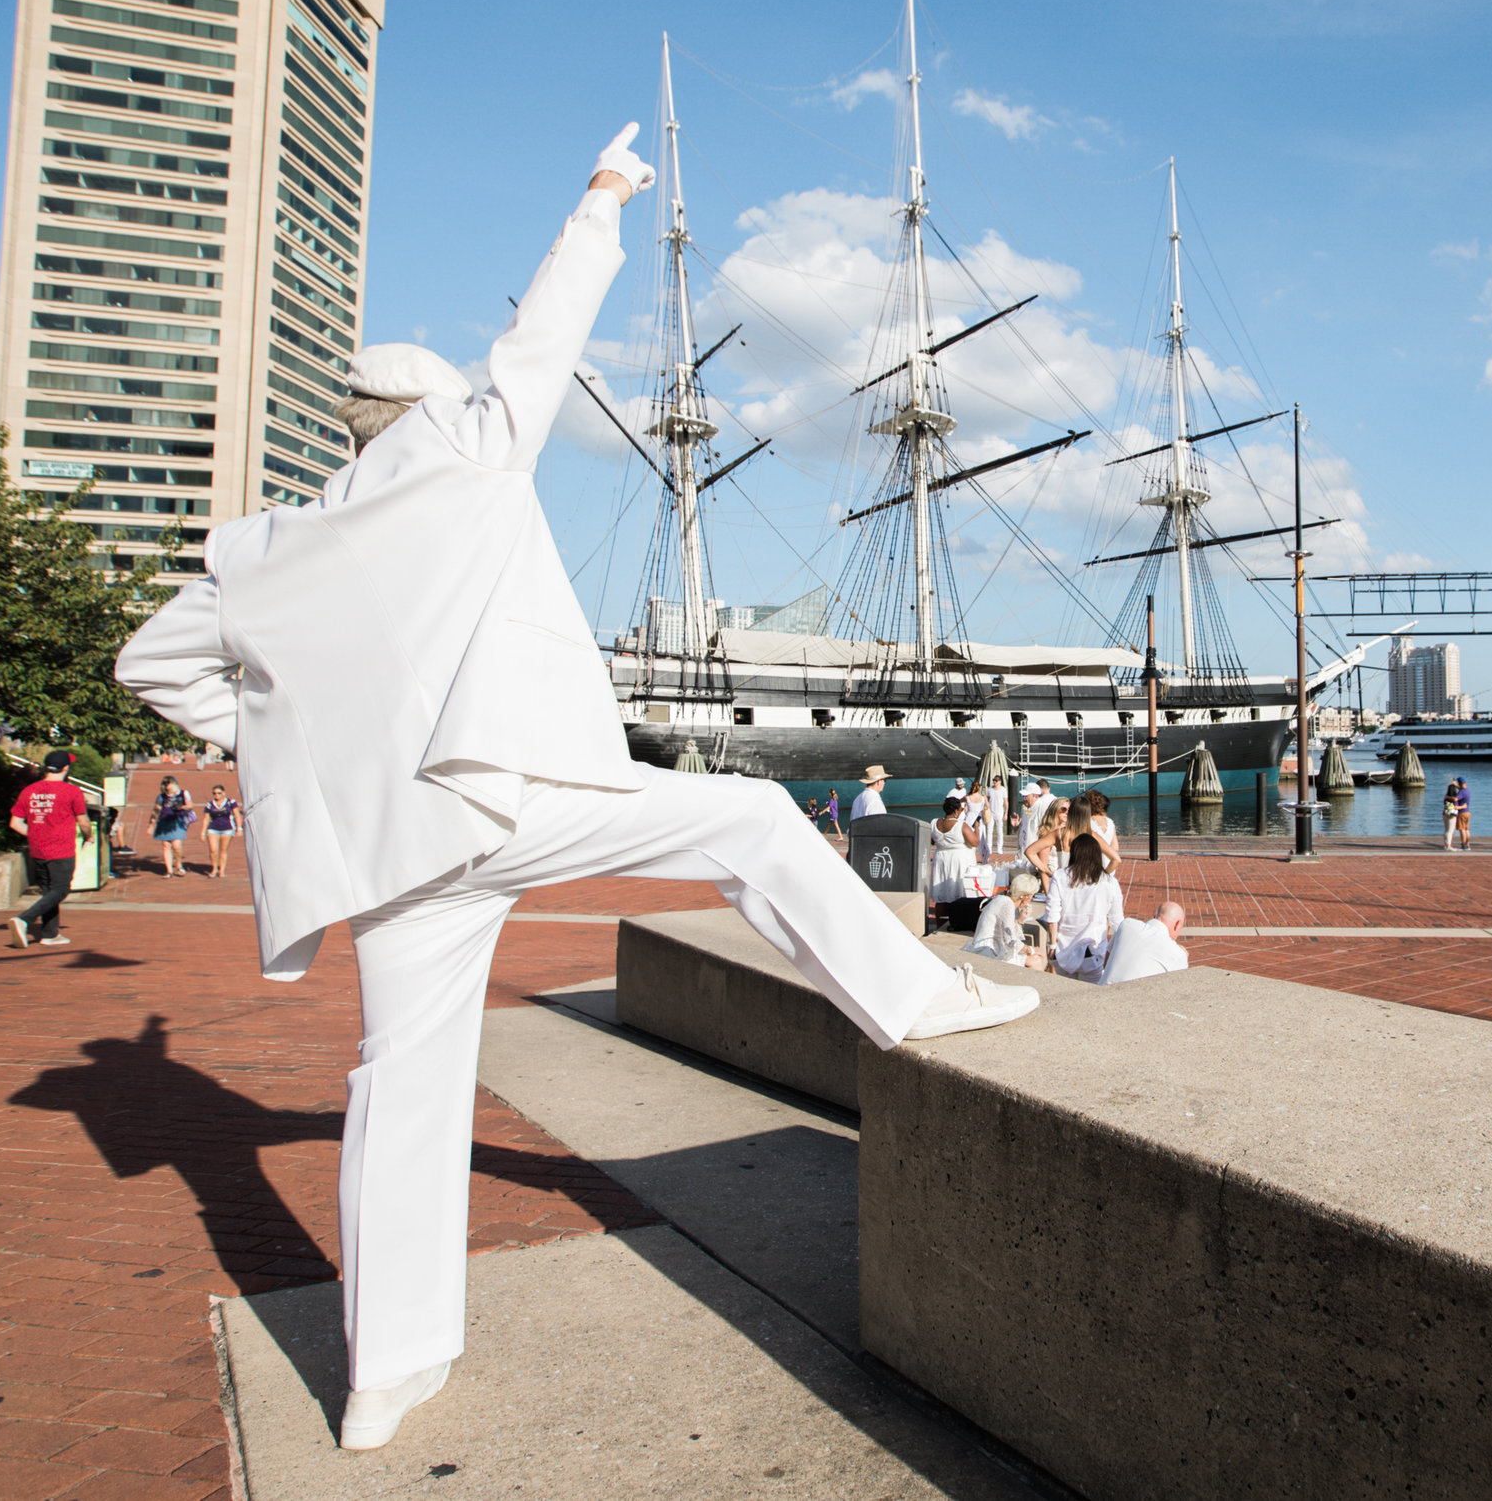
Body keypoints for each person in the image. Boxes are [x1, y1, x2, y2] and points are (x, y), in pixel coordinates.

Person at [113, 127, 1037, 1454]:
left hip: (394, 856)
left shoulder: (260, 553)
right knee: (749, 818)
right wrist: (603, 197)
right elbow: (540, 339)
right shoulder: (465, 453)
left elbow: (152, 664)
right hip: (509, 798)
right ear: (425, 412)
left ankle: (385, 1377)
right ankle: (912, 1002)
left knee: (401, 1086)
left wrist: (292, 740)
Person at [8, 752, 91, 949]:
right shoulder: (71, 791)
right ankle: (24, 919)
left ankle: (49, 934)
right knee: (61, 889)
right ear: (65, 768)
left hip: (38, 849)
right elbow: (84, 821)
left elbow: (15, 823)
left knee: (49, 891)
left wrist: (35, 834)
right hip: (61, 848)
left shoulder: (29, 791)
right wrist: (88, 837)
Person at [1046, 830, 1125, 981]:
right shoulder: (1109, 882)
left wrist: (1051, 945)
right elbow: (1117, 923)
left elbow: (1052, 915)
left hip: (1063, 949)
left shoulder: (1060, 876)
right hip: (1094, 951)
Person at [1099, 901, 1190, 985]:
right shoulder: (1177, 954)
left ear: (1155, 916)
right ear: (1177, 924)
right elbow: (1177, 990)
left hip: (1102, 993)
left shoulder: (1126, 924)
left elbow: (1106, 963)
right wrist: (1181, 954)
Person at [966, 867, 1041, 966]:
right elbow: (1010, 940)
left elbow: (1008, 933)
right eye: (1032, 896)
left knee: (1034, 958)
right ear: (1026, 897)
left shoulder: (1003, 899)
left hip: (992, 948)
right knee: (1035, 961)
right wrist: (1030, 949)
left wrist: (1019, 921)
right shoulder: (1007, 905)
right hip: (988, 952)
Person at [926, 790, 980, 907]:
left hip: (941, 859)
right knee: (959, 891)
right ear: (956, 810)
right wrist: (977, 828)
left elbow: (931, 840)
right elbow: (975, 842)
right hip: (959, 860)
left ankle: (940, 921)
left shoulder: (934, 823)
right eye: (960, 810)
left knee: (941, 894)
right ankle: (958, 919)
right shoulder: (961, 825)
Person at [149, 775, 192, 877]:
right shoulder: (161, 797)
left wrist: (181, 807)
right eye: (167, 784)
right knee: (166, 845)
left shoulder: (183, 793)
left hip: (178, 821)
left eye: (171, 783)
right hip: (164, 822)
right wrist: (151, 824)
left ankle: (179, 865)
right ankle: (169, 870)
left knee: (176, 844)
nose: (169, 786)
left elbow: (190, 805)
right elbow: (156, 810)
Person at [203, 785, 242, 878]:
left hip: (227, 828)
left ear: (223, 793)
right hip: (213, 828)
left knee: (223, 850)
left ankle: (222, 870)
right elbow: (206, 818)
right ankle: (214, 868)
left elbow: (237, 815)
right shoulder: (210, 804)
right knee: (213, 850)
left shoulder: (231, 802)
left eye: (219, 793)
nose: (217, 795)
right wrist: (203, 832)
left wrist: (239, 828)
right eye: (214, 793)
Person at [982, 775, 1008, 859]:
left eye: (996, 780)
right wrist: (985, 809)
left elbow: (1006, 802)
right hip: (991, 812)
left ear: (1000, 781)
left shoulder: (1003, 790)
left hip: (999, 812)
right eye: (994, 780)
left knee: (999, 831)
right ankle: (989, 848)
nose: (994, 782)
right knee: (989, 830)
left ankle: (999, 848)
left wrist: (1006, 813)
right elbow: (987, 799)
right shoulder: (990, 789)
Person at [1453, 777, 1474, 850]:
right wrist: (1456, 786)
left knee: (1462, 830)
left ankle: (1463, 845)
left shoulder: (1461, 792)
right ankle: (1467, 844)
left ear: (1460, 783)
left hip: (1462, 813)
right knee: (1466, 829)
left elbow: (1456, 799)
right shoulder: (1467, 790)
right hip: (1467, 812)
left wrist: (1456, 805)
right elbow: (1461, 789)